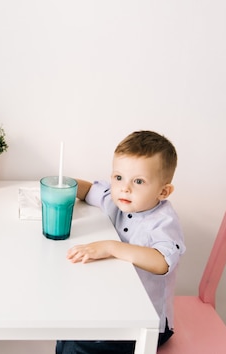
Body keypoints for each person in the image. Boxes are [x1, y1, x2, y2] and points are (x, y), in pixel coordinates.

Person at [56, 131, 186, 354]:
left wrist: (110, 247)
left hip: (147, 322)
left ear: (163, 191)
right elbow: (89, 190)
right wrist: (63, 186)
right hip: (116, 302)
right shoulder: (120, 200)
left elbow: (162, 261)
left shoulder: (163, 222)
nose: (124, 188)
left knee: (78, 346)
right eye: (118, 177)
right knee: (66, 329)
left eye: (138, 181)